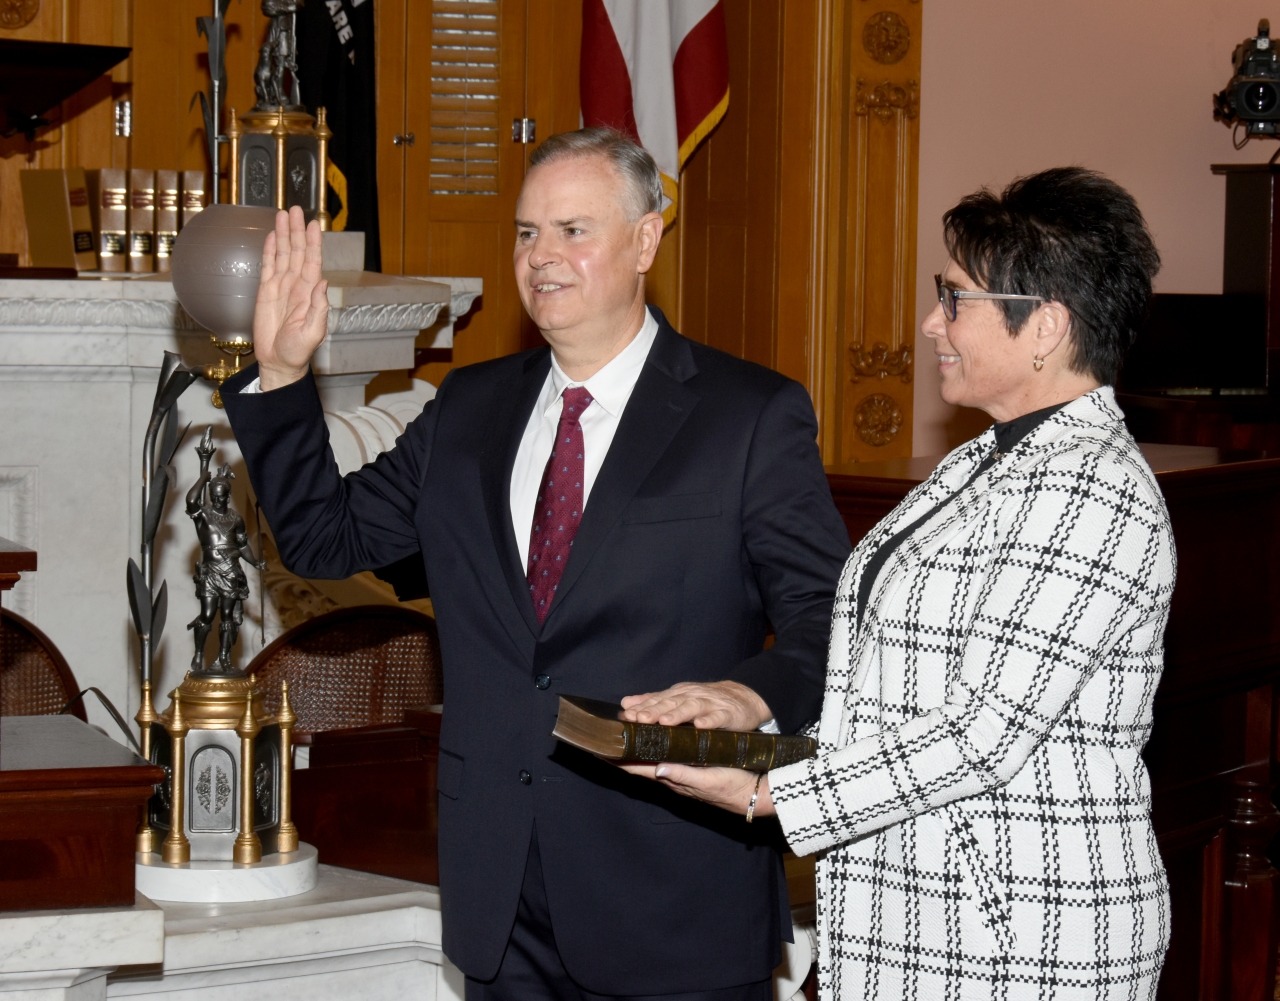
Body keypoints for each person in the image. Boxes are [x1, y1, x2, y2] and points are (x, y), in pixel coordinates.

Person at [221, 127, 852, 1000]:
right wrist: (284, 373)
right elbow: (327, 538)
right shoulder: (470, 408)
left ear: (645, 240)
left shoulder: (749, 416)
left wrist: (748, 695)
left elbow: (835, 621)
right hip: (502, 898)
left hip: (674, 903)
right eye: (526, 233)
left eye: (572, 230)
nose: (541, 257)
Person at [627, 167, 1176, 999]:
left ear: (1046, 327)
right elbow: (895, 695)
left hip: (1022, 939)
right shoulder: (988, 459)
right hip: (925, 914)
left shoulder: (1092, 486)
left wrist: (769, 789)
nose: (931, 323)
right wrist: (750, 720)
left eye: (956, 300)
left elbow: (984, 733)